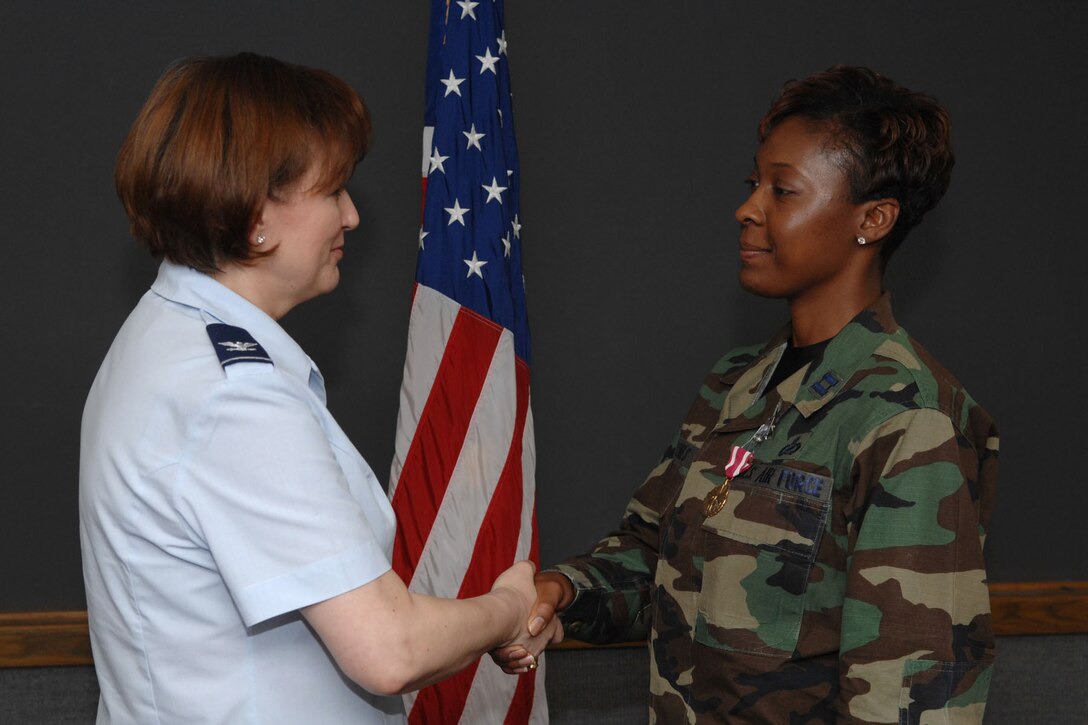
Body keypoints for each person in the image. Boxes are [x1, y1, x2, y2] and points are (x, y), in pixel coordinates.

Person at [497, 65, 998, 723]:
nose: (748, 207)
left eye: (783, 190)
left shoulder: (908, 418)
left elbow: (913, 702)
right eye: (753, 183)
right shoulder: (738, 380)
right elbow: (654, 560)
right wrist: (558, 592)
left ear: (872, 219)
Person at [79, 52, 554, 725]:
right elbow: (389, 649)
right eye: (332, 191)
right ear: (255, 214)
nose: (352, 216)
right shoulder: (233, 396)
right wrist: (508, 607)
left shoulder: (163, 338)